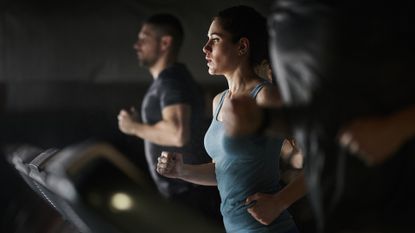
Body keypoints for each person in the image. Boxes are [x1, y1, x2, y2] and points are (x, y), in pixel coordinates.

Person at [222, 0, 415, 232]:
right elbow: (318, 114)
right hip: (338, 211)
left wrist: (397, 127)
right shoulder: (283, 21)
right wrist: (263, 120)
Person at [156, 6, 306, 233]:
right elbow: (225, 170)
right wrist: (181, 171)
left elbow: (320, 161)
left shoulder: (266, 96)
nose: (205, 48)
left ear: (242, 46)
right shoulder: (219, 101)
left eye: (215, 40)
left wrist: (279, 203)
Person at [117, 13, 221, 223]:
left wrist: (133, 126)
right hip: (187, 193)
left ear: (165, 43)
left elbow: (177, 134)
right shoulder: (172, 80)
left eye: (144, 38)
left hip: (189, 194)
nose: (137, 45)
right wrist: (144, 124)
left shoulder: (171, 81)